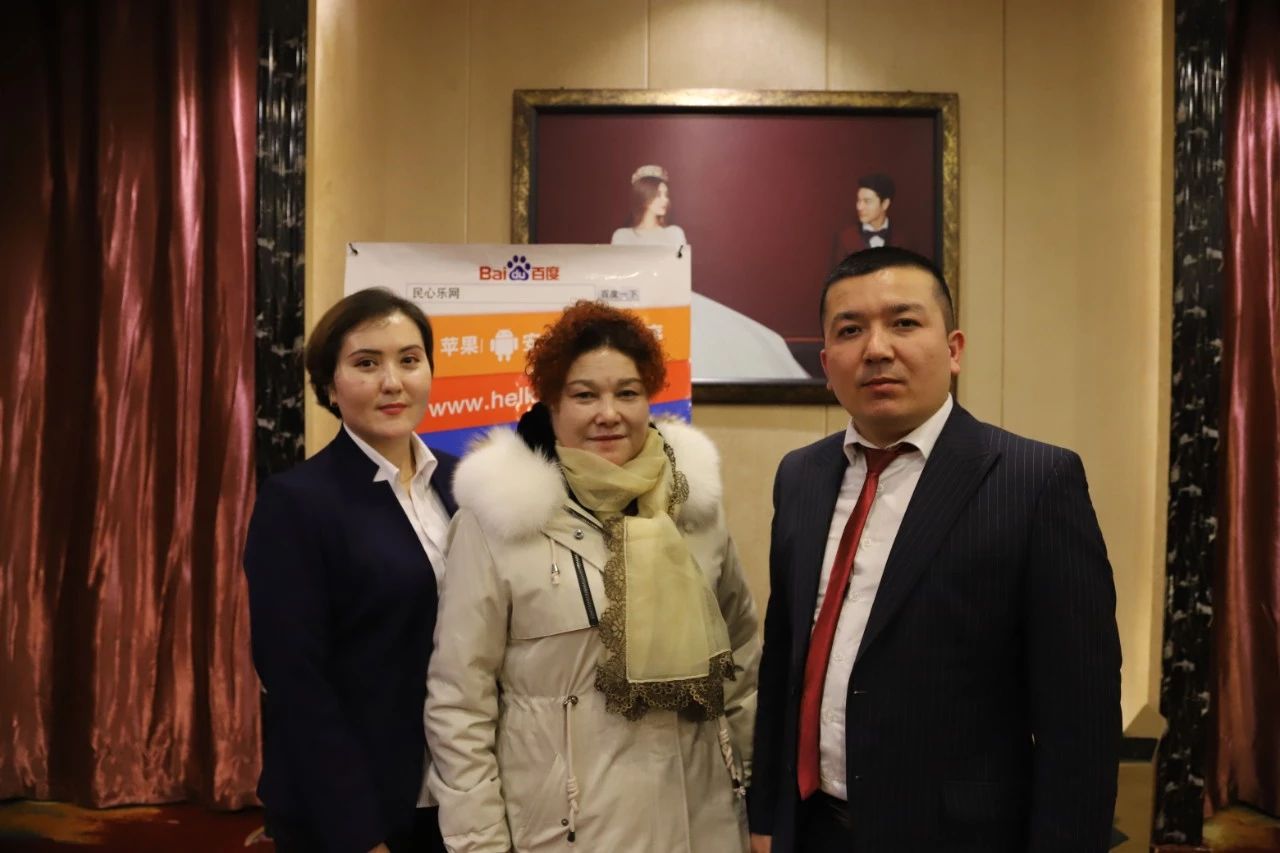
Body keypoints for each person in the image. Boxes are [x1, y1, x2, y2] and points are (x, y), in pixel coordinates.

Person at [748, 247, 1121, 852]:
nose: (876, 349)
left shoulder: (1034, 481)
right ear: (826, 363)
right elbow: (785, 657)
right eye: (850, 330)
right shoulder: (800, 476)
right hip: (812, 827)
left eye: (903, 322)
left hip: (956, 836)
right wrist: (766, 816)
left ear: (953, 349)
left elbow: (1080, 718)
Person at [425, 300, 760, 852]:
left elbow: (743, 661)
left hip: (705, 821)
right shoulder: (499, 521)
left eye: (627, 393)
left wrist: (757, 799)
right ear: (552, 403)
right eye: (585, 395)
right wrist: (478, 843)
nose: (609, 413)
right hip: (573, 830)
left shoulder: (694, 510)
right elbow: (460, 701)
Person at [243, 289, 457, 853]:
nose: (393, 382)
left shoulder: (462, 484)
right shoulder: (297, 502)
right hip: (357, 805)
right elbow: (296, 682)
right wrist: (356, 833)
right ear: (330, 386)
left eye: (409, 360)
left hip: (462, 795)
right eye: (367, 363)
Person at [609, 164, 810, 380]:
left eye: (666, 195)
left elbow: (679, 271)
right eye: (658, 194)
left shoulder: (674, 233)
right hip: (637, 304)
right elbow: (620, 277)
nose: (665, 200)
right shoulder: (622, 236)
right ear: (644, 196)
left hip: (672, 299)